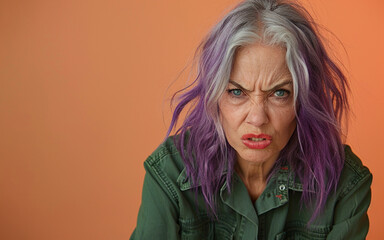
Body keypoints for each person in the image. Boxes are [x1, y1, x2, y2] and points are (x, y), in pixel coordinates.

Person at [130, 0, 372, 239]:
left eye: (279, 93)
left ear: (304, 100)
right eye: (237, 92)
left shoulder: (345, 186)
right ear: (214, 97)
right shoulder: (169, 174)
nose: (257, 118)